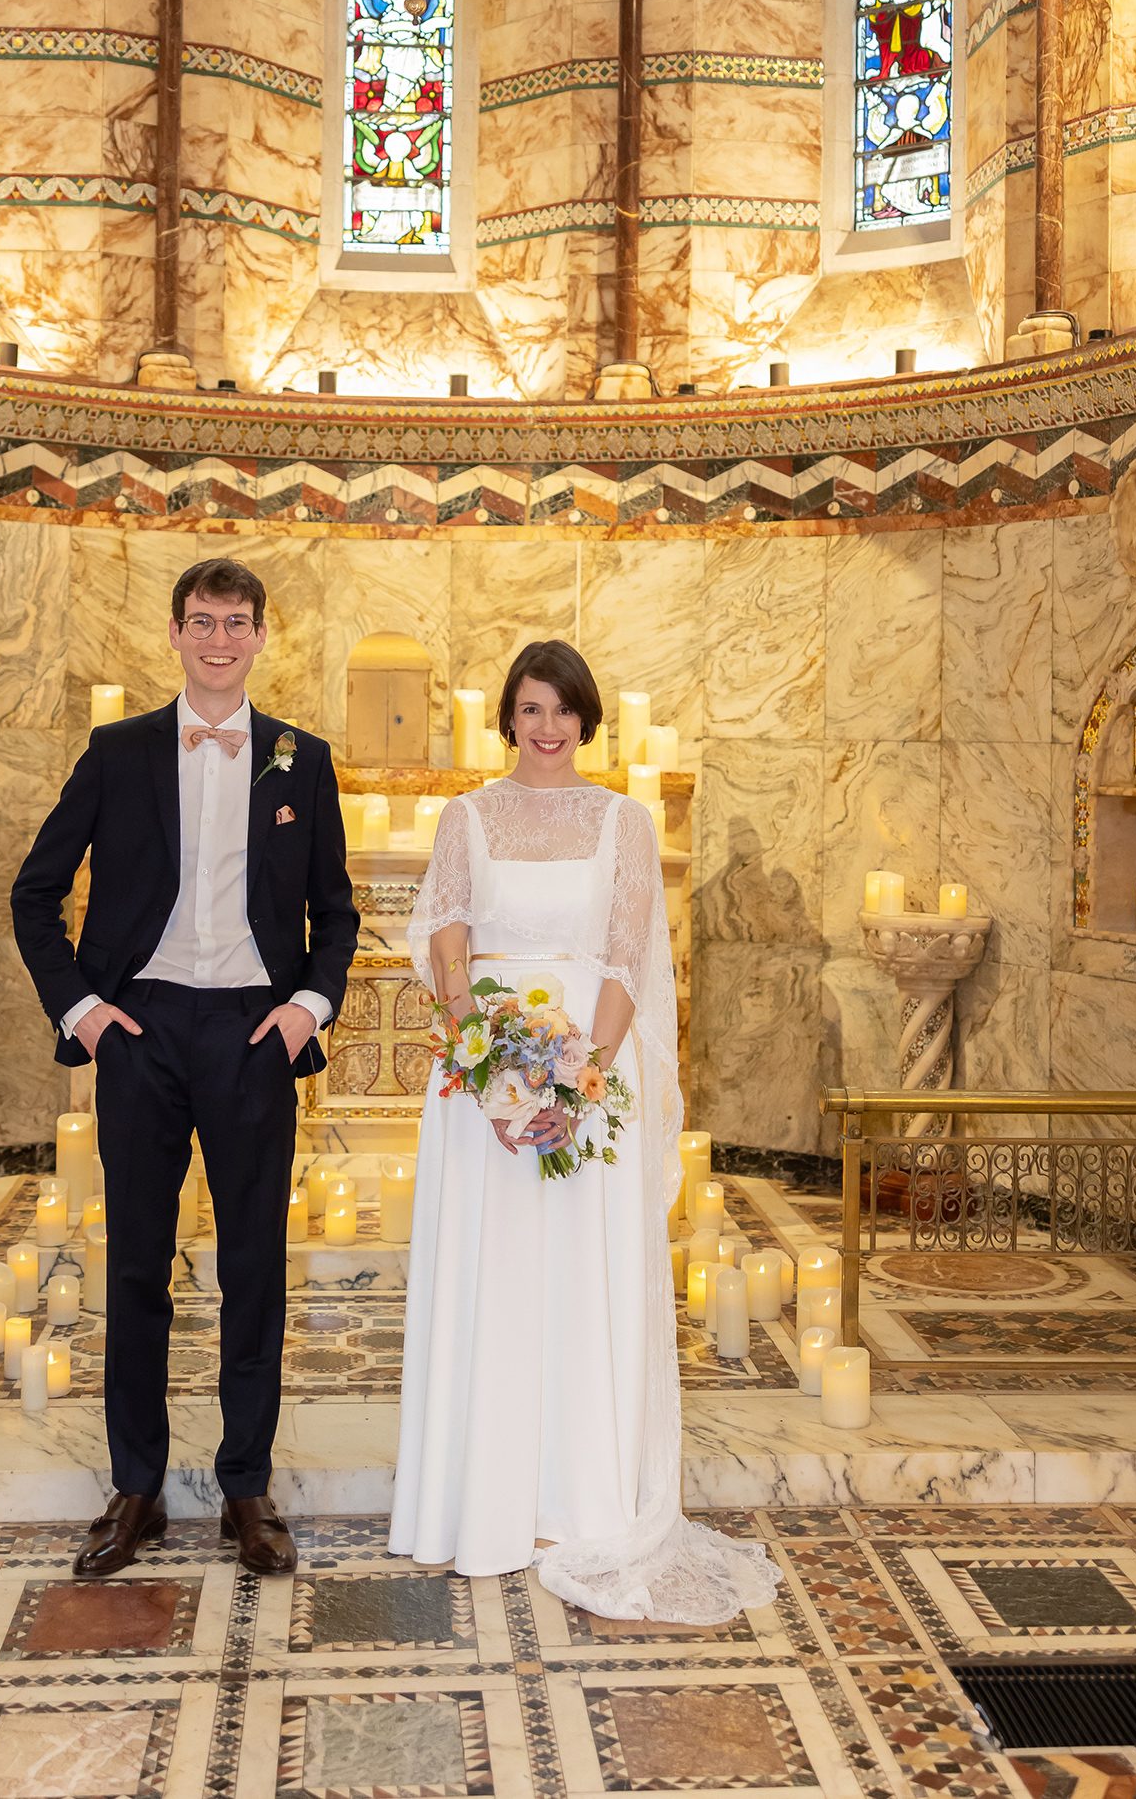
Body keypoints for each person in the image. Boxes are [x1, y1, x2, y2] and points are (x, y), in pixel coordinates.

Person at [389, 640, 779, 1622]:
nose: (546, 725)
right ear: (508, 718)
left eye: (561, 708)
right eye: (528, 708)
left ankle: (579, 1501)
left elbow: (624, 955)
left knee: (574, 1276)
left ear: (584, 715)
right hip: (484, 1070)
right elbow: (445, 930)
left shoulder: (623, 822)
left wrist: (587, 1071)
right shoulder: (466, 814)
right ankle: (473, 1507)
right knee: (493, 1271)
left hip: (587, 1066)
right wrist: (476, 1048)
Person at [11, 555, 358, 1581]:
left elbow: (335, 910)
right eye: (201, 620)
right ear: (173, 632)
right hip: (142, 1031)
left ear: (261, 636)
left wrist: (307, 1006)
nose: (218, 639)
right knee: (135, 1265)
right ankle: (137, 1486)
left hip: (256, 1033)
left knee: (253, 1265)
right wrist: (85, 1010)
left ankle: (246, 1487)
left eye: (236, 622)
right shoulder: (116, 753)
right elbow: (35, 893)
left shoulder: (302, 757)